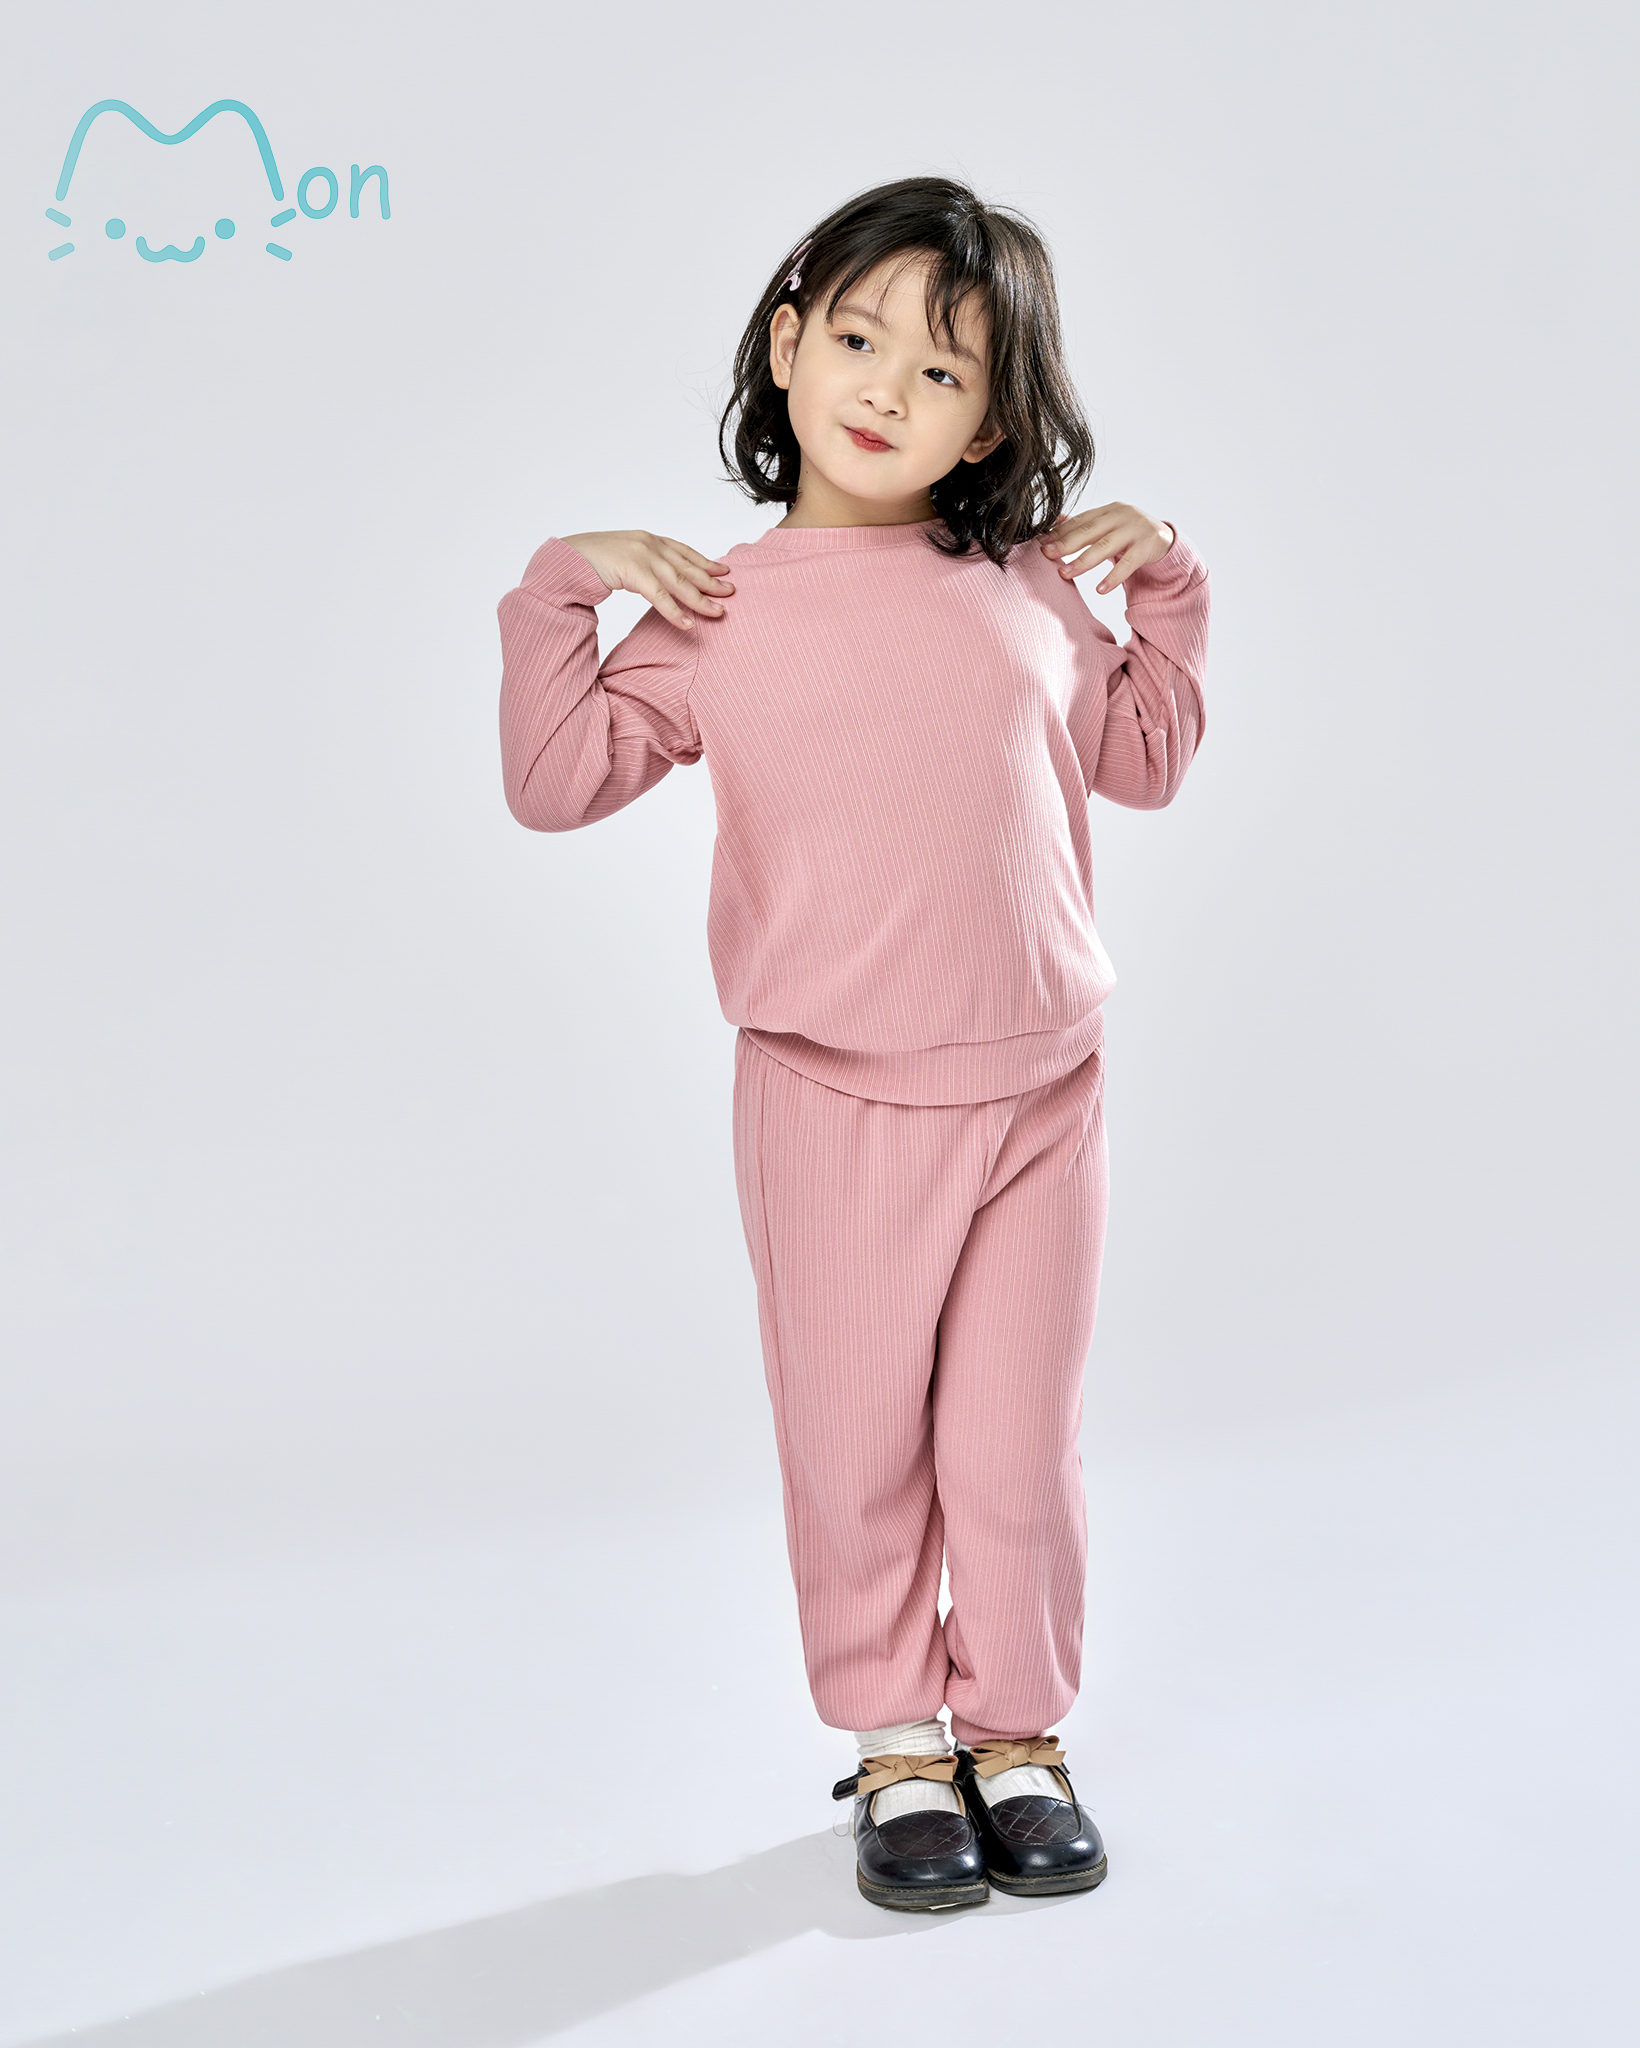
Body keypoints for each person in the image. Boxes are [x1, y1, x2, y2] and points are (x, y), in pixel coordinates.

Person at [496, 175, 1209, 1912]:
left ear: (994, 425)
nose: (890, 388)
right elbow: (555, 782)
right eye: (861, 339)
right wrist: (563, 588)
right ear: (787, 342)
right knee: (857, 1444)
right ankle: (898, 1741)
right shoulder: (715, 612)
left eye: (946, 372)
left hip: (1046, 1089)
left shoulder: (1029, 588)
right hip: (831, 1097)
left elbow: (1143, 758)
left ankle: (1017, 1729)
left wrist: (1169, 586)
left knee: (1017, 1450)